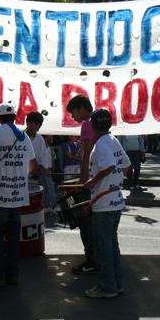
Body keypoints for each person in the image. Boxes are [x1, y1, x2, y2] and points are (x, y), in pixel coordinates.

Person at [0, 103, 36, 287]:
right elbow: (33, 164)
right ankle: (13, 275)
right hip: (17, 197)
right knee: (14, 240)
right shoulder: (24, 137)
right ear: (15, 117)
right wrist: (21, 177)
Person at [83, 109, 131, 298]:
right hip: (115, 201)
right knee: (111, 246)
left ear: (93, 126)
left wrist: (94, 182)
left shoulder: (101, 144)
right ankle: (116, 284)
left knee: (103, 248)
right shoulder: (113, 140)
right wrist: (116, 181)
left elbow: (110, 165)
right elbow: (125, 166)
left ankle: (107, 287)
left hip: (103, 203)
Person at [66, 95, 97, 274]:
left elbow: (87, 155)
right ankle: (99, 258)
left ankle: (91, 259)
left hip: (90, 181)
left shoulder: (87, 124)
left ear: (82, 108)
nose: (72, 117)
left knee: (85, 222)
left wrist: (82, 182)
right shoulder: (99, 124)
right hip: (99, 181)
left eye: (73, 112)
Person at [25, 111, 56, 211]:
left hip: (36, 174)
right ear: (27, 123)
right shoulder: (20, 136)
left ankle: (50, 206)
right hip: (21, 174)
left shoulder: (40, 139)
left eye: (37, 125)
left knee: (47, 184)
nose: (34, 126)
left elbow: (44, 158)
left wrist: (42, 168)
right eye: (32, 123)